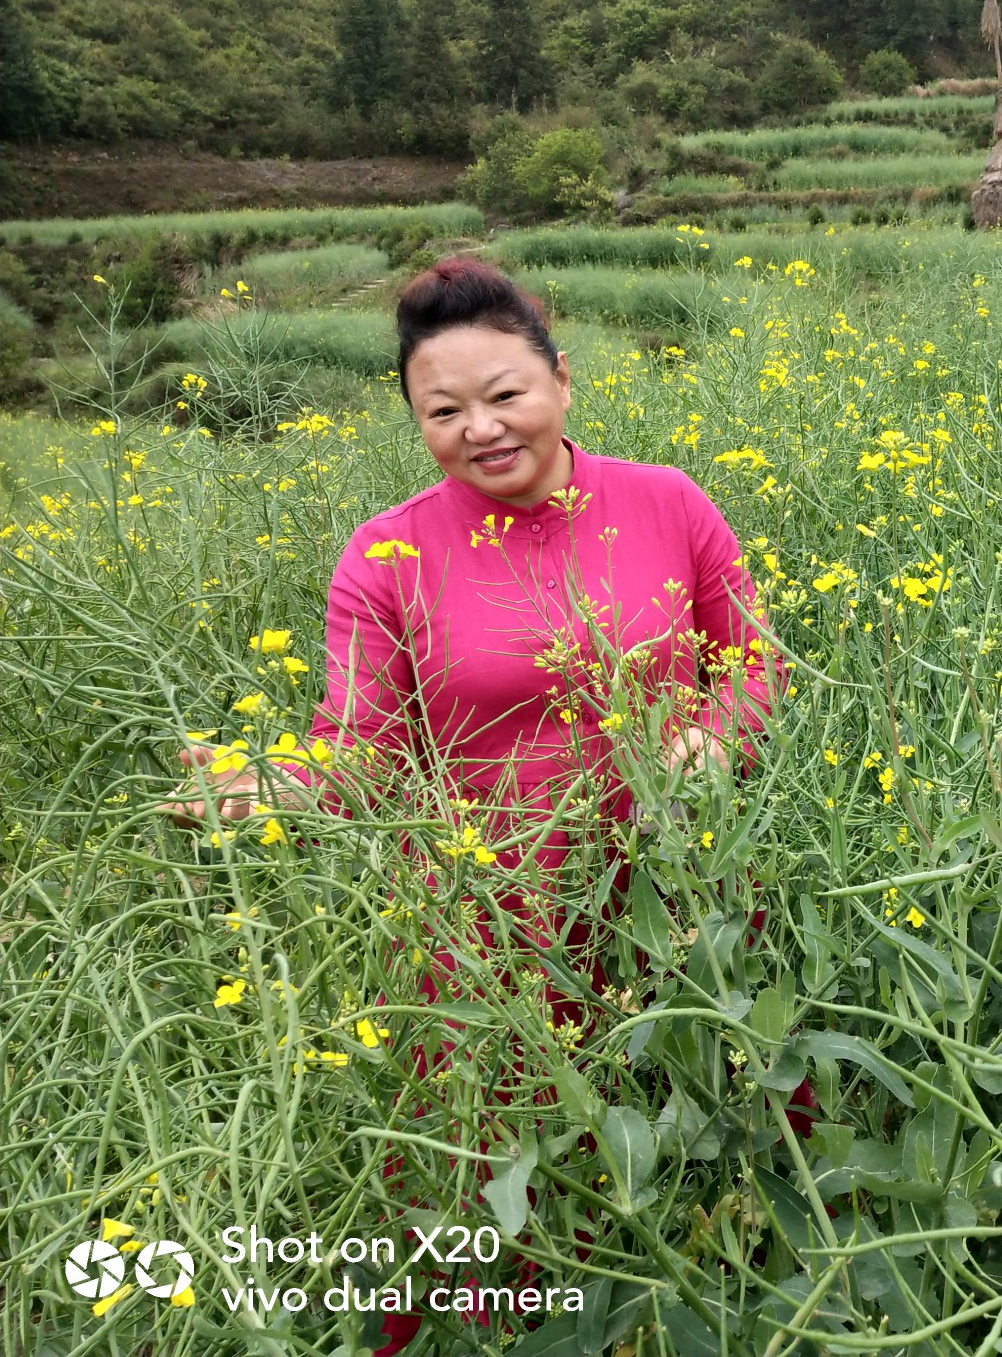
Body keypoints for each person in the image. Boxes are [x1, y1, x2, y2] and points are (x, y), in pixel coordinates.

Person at [163, 257, 791, 1353]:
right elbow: (361, 746)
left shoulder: (667, 500)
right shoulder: (387, 553)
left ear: (561, 381)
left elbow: (752, 659)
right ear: (415, 421)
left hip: (682, 895)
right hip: (495, 925)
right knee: (497, 1184)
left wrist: (710, 734)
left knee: (715, 1149)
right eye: (442, 411)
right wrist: (270, 789)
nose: (482, 429)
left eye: (506, 394)